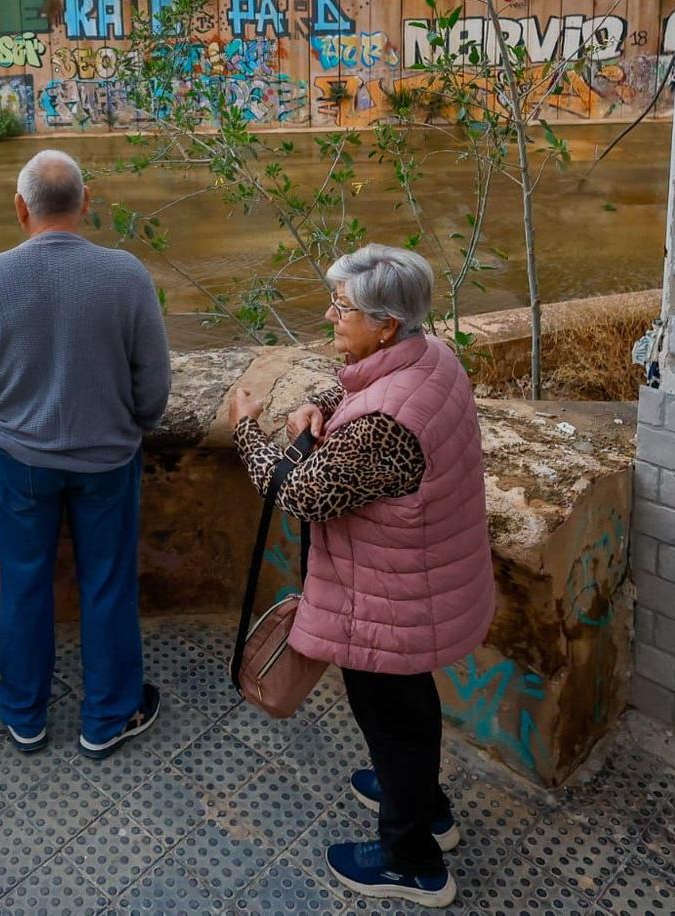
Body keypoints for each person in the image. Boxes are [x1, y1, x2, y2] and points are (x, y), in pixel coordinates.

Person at [228, 245, 494, 910]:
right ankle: (425, 804)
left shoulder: (382, 425)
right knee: (408, 711)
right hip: (418, 585)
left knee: (390, 718)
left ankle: (413, 862)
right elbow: (359, 387)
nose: (329, 315)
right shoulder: (433, 357)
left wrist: (245, 434)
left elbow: (302, 494)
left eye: (341, 309)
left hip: (389, 600)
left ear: (384, 324)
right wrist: (318, 404)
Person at [0, 150, 172, 759]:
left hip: (20, 462)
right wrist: (137, 425)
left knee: (23, 585)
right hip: (107, 461)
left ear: (20, 208)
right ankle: (107, 717)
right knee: (108, 585)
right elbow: (153, 382)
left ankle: (24, 712)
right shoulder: (126, 275)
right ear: (86, 203)